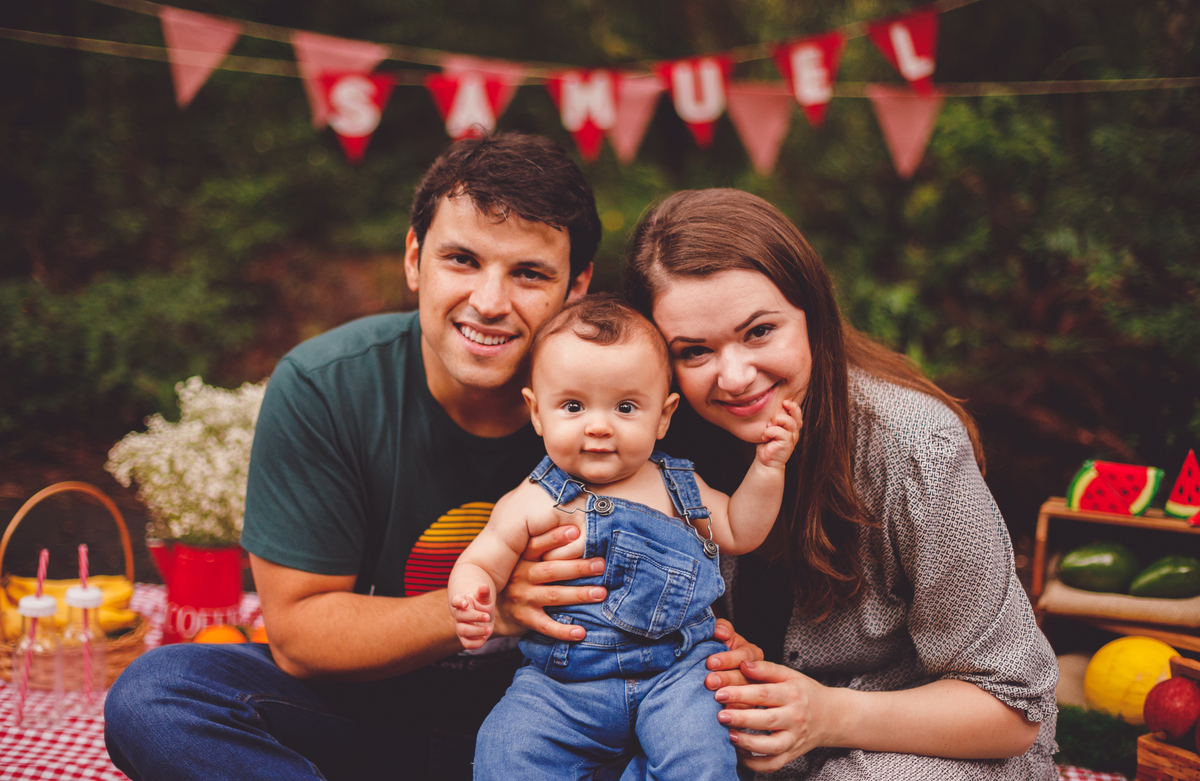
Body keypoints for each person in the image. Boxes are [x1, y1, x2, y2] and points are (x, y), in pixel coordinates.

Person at [103, 134, 760, 781]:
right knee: (158, 696)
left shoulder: (635, 394)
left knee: (699, 742)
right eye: (462, 260)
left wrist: (719, 650)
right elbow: (300, 636)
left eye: (529, 273)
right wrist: (496, 605)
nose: (489, 302)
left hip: (572, 713)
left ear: (577, 285)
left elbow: (720, 553)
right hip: (373, 710)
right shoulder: (326, 385)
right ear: (415, 258)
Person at [624, 188, 1060, 779]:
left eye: (758, 332)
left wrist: (826, 713)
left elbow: (1014, 711)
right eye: (694, 351)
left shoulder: (914, 445)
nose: (734, 376)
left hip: (922, 752)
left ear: (813, 312)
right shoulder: (646, 453)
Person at [448, 295, 800, 780]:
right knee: (506, 747)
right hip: (563, 683)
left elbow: (741, 529)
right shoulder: (530, 501)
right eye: (573, 405)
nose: (598, 426)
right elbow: (480, 561)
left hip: (678, 670)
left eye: (626, 407)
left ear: (663, 415)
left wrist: (768, 468)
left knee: (702, 756)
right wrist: (471, 595)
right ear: (536, 412)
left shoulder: (677, 485)